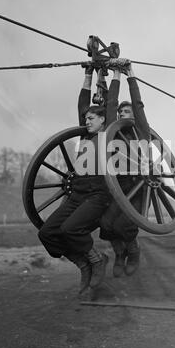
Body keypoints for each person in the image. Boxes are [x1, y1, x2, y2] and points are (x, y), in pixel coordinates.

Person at [38, 64, 121, 294]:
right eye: (86, 118)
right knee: (46, 234)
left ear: (104, 120)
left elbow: (112, 103)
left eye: (92, 118)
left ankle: (96, 260)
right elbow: (82, 103)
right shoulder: (84, 134)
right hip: (77, 193)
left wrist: (115, 75)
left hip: (98, 195)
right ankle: (83, 263)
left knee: (70, 229)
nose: (87, 120)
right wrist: (87, 74)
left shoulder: (108, 134)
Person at [100, 62, 151, 278]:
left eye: (126, 111)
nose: (122, 114)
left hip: (138, 188)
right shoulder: (114, 134)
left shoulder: (141, 131)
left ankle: (133, 251)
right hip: (119, 187)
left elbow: (138, 105)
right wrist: (115, 75)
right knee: (105, 224)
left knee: (123, 225)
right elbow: (110, 105)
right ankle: (119, 254)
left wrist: (130, 75)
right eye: (121, 112)